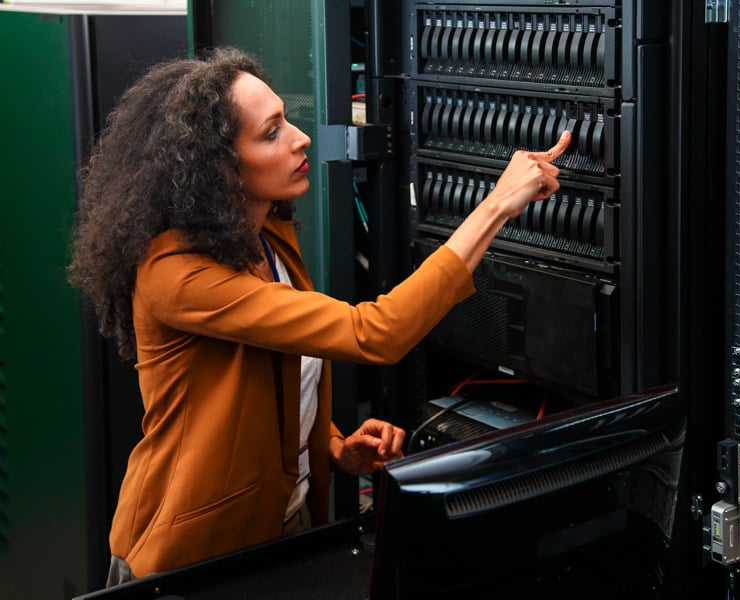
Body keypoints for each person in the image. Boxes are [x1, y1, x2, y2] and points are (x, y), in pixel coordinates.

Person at [68, 45, 571, 585]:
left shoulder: (265, 236)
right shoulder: (177, 274)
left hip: (283, 530)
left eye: (285, 119)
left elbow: (273, 374)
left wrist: (331, 443)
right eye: (270, 132)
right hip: (191, 556)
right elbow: (375, 333)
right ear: (217, 167)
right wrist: (496, 204)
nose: (300, 137)